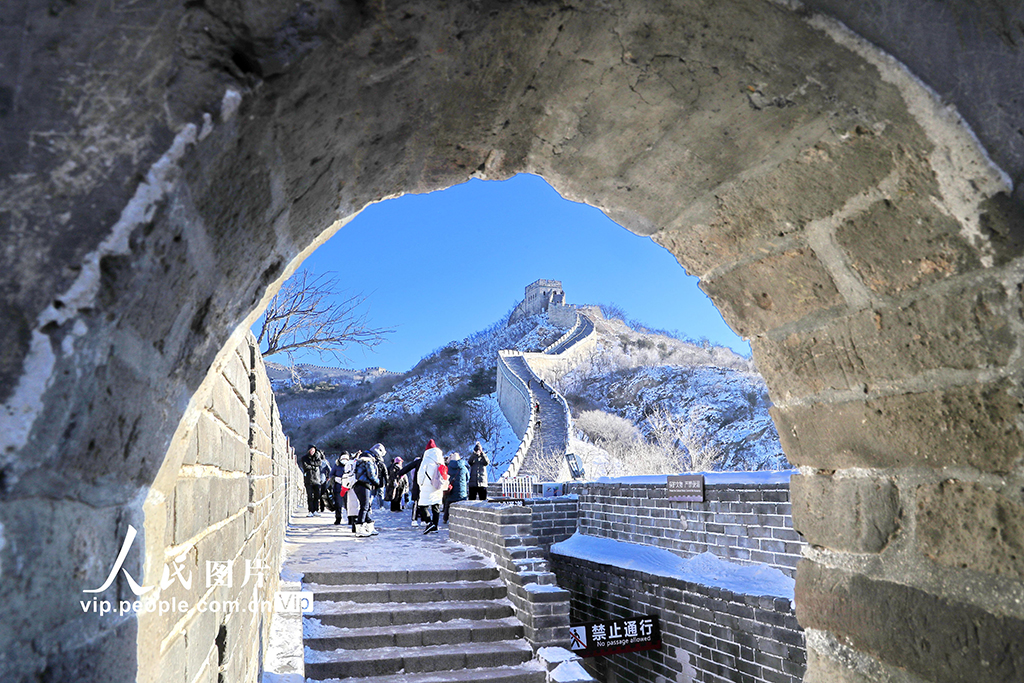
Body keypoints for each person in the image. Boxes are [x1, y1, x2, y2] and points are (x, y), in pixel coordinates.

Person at [352, 443, 387, 536]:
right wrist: (378, 482)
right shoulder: (368, 460)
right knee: (365, 506)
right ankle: (359, 528)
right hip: (363, 484)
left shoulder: (363, 457)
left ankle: (369, 527)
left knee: (366, 506)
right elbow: (371, 475)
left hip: (358, 485)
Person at [417, 439, 447, 534]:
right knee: (436, 506)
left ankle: (429, 523)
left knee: (422, 505)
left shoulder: (426, 459)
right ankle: (435, 526)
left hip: (427, 485)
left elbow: (421, 473)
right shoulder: (440, 459)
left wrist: (420, 483)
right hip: (438, 486)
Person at [396, 454, 423, 526]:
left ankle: (416, 519)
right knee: (421, 502)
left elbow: (408, 467)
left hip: (417, 484)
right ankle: (421, 519)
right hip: (424, 485)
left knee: (418, 502)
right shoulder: (430, 462)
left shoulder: (419, 462)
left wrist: (400, 473)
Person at [301, 445, 327, 517]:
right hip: (308, 479)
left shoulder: (317, 457)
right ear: (308, 450)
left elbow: (319, 463)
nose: (312, 452)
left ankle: (315, 510)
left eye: (313, 450)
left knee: (317, 496)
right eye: (311, 450)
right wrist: (314, 467)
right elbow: (305, 466)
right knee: (310, 496)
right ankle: (310, 511)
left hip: (317, 479)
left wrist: (311, 466)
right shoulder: (304, 458)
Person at [443, 451, 469, 524]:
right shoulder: (463, 468)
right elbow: (468, 477)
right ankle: (463, 518)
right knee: (462, 505)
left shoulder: (448, 468)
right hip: (462, 492)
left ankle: (445, 518)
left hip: (451, 491)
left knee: (448, 505)